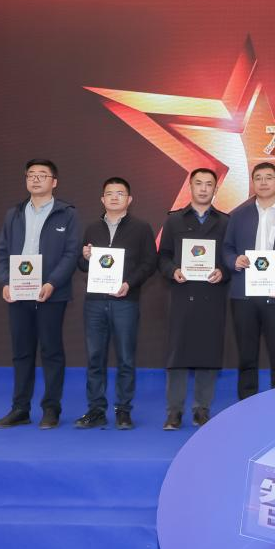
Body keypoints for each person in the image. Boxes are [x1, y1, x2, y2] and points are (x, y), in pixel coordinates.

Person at [0, 159, 79, 429]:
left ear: (54, 182)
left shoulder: (67, 213)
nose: (36, 179)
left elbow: (71, 253)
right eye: (31, 175)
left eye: (43, 175)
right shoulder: (14, 214)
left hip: (51, 293)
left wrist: (52, 282)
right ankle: (20, 409)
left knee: (51, 351)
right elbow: (1, 252)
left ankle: (51, 409)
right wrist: (5, 282)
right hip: (19, 293)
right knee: (21, 352)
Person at [74, 177, 157, 430]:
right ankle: (96, 410)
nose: (114, 197)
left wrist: (130, 283)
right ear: (102, 199)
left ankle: (123, 411)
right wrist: (85, 257)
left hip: (125, 301)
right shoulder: (91, 228)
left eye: (120, 193)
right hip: (95, 302)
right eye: (109, 193)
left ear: (129, 199)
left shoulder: (141, 228)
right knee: (95, 358)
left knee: (126, 359)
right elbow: (82, 265)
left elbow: (149, 263)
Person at [222, 162, 275, 400]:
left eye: (269, 177)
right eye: (258, 178)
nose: (264, 182)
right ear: (253, 183)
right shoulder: (238, 215)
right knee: (247, 355)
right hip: (243, 294)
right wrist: (234, 260)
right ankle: (247, 402)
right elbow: (226, 248)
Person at [158, 168, 230, 429]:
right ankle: (174, 412)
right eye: (198, 183)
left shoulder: (226, 222)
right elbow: (163, 256)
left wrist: (223, 271)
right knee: (177, 355)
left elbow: (231, 257)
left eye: (208, 184)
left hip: (212, 294)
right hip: (182, 293)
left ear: (215, 189)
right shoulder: (174, 220)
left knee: (208, 353)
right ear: (190, 186)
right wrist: (172, 270)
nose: (203, 188)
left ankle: (202, 409)